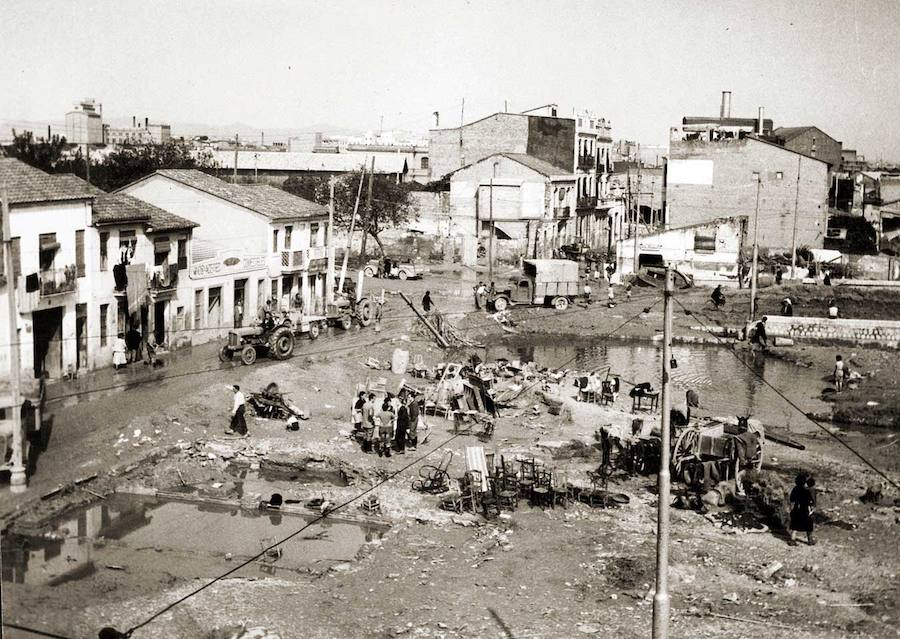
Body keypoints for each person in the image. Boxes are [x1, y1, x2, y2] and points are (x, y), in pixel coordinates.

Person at [789, 473, 816, 545]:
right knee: (809, 526)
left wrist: (791, 508)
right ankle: (810, 540)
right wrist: (812, 507)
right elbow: (809, 501)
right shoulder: (806, 491)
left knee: (795, 526)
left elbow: (791, 499)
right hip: (804, 510)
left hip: (796, 509)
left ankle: (792, 540)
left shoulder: (794, 489)